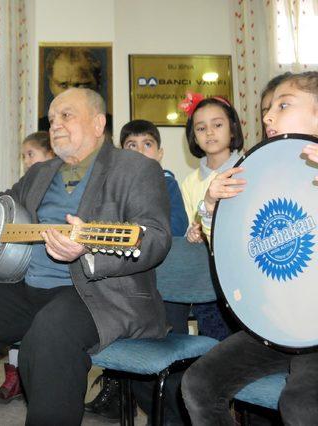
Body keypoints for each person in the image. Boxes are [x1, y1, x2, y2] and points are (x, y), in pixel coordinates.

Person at [0, 88, 172, 425]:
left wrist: (88, 250)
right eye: (51, 119)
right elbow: (0, 198)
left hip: (97, 295)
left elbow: (157, 237)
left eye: (66, 115)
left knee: (50, 333)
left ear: (98, 123)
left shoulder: (135, 168)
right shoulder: (41, 172)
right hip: (30, 288)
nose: (55, 125)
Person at [182, 71, 318, 426]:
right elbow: (235, 251)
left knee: (303, 407)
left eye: (283, 105)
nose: (268, 116)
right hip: (277, 324)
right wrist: (211, 209)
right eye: (267, 109)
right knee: (198, 384)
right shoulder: (262, 171)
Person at [82, 119, 190, 423]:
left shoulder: (166, 181)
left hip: (170, 284)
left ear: (160, 152)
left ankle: (176, 414)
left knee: (170, 358)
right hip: (137, 281)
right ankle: (126, 397)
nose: (140, 151)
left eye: (147, 145)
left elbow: (175, 229)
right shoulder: (119, 183)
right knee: (135, 359)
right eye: (132, 145)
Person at [0, 131, 55, 405]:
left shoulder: (53, 190)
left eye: (31, 154)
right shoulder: (26, 187)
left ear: (50, 155)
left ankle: (27, 375)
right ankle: (13, 372)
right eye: (24, 156)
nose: (27, 160)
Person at [179, 95, 244, 342]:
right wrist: (192, 233)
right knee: (216, 347)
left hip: (247, 273)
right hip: (209, 282)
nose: (210, 133)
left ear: (232, 128)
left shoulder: (248, 166)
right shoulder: (189, 182)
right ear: (193, 136)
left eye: (217, 125)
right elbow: (188, 227)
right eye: (201, 128)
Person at [39, 47, 113, 137]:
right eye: (63, 85)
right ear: (51, 85)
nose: (71, 93)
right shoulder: (40, 129)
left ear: (97, 83)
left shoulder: (112, 125)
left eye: (80, 85)